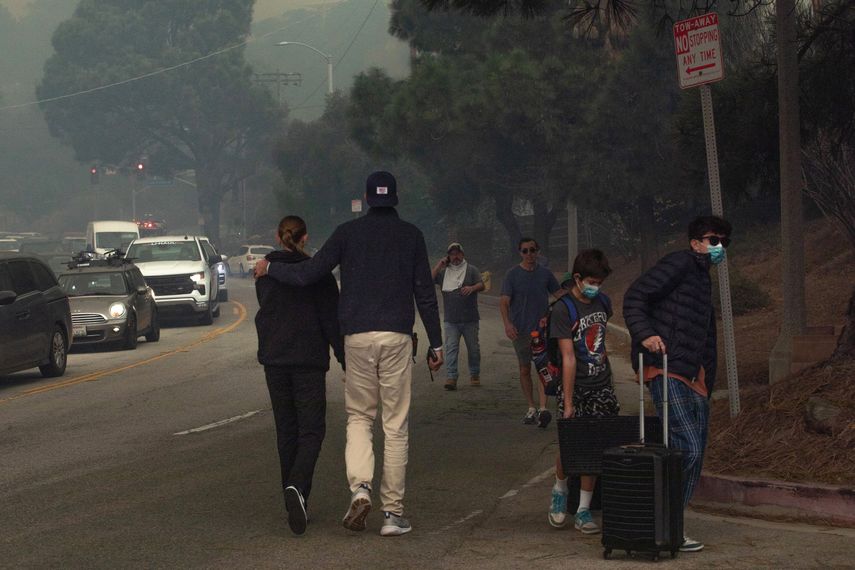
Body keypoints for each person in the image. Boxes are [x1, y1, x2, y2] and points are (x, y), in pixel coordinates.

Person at [254, 171, 443, 537]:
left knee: (359, 417)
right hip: (396, 335)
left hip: (356, 337)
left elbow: (309, 273)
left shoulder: (347, 233)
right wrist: (436, 344)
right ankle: (392, 513)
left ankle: (360, 489)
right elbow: (424, 293)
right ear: (396, 199)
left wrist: (272, 267)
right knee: (395, 425)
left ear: (367, 198)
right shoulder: (412, 236)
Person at [622, 215, 732, 553]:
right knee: (688, 448)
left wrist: (707, 380)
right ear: (695, 242)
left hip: (693, 377)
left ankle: (672, 524)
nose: (719, 248)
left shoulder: (702, 278)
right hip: (665, 368)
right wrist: (647, 336)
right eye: (713, 240)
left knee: (695, 455)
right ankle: (665, 522)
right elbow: (635, 297)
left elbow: (706, 334)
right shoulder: (680, 263)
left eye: (723, 243)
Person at [254, 215, 345, 536]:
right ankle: (297, 487)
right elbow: (331, 322)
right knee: (312, 430)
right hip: (308, 360)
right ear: (305, 238)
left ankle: (293, 498)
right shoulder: (318, 276)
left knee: (287, 430)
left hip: (275, 361)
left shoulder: (263, 273)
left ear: (279, 238)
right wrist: (345, 358)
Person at [546, 250, 618, 534]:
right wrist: (567, 401)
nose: (595, 286)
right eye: (591, 281)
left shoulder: (603, 302)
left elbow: (601, 343)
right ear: (577, 278)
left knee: (595, 446)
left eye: (599, 282)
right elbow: (568, 357)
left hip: (601, 383)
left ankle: (584, 509)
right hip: (574, 385)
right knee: (571, 444)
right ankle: (560, 490)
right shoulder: (563, 309)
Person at [500, 237, 563, 428]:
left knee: (542, 368)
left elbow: (559, 295)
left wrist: (552, 314)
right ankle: (531, 407)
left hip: (541, 330)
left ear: (538, 252)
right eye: (525, 251)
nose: (529, 254)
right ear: (520, 253)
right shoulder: (512, 275)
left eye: (532, 250)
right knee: (524, 368)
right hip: (520, 329)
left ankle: (543, 408)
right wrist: (508, 324)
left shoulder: (545, 274)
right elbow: (504, 302)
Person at [431, 242, 485, 391]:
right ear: (448, 256)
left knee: (473, 349)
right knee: (451, 348)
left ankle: (475, 374)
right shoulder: (443, 273)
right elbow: (429, 279)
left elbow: (482, 284)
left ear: (462, 254)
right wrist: (439, 265)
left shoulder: (471, 270)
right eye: (452, 254)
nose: (455, 257)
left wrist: (472, 287)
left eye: (458, 253)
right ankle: (451, 377)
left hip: (470, 319)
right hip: (451, 320)